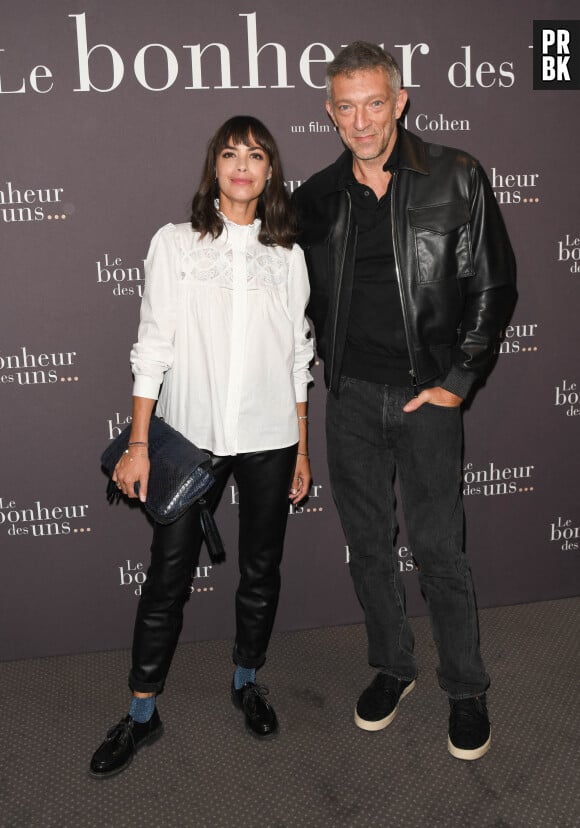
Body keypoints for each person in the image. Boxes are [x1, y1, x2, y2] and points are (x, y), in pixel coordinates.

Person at [293, 42, 516, 761]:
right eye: (346, 107)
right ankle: (393, 667)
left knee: (439, 552)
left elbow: (493, 285)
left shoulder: (455, 177)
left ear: (401, 101)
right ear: (331, 113)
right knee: (367, 550)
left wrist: (459, 380)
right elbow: (281, 299)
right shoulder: (316, 198)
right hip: (350, 398)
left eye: (375, 103)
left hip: (428, 400)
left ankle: (465, 685)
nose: (361, 120)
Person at [90, 116, 313, 777]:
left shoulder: (289, 255)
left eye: (255, 155)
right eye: (230, 153)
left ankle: (247, 680)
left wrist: (301, 448)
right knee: (166, 578)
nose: (242, 165)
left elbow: (300, 356)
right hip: (189, 439)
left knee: (260, 569)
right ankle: (140, 713)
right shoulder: (176, 243)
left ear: (271, 172)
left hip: (272, 436)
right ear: (214, 168)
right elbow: (153, 345)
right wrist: (138, 443)